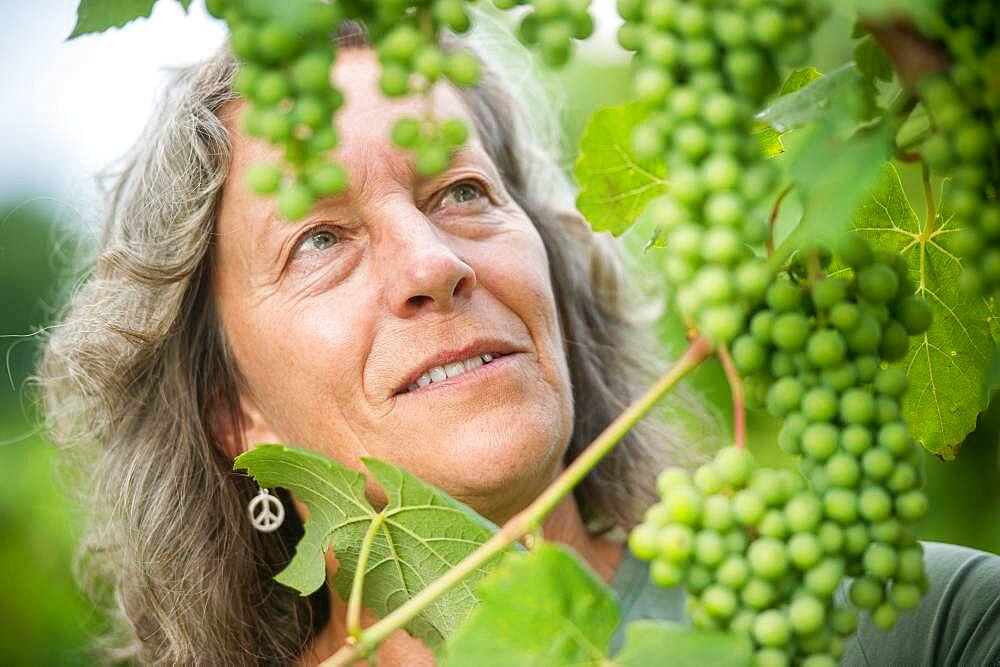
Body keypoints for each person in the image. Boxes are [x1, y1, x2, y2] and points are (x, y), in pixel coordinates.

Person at [38, 18, 999, 667]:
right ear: (229, 412)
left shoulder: (913, 624)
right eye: (319, 238)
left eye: (462, 191)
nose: (432, 262)